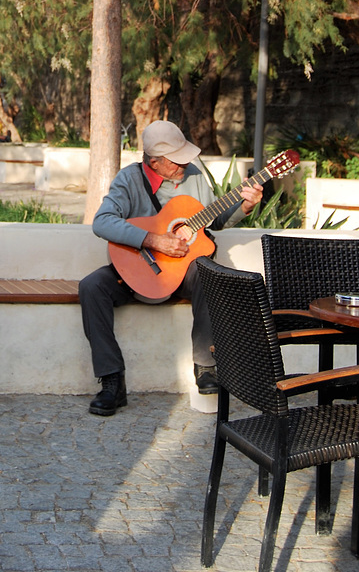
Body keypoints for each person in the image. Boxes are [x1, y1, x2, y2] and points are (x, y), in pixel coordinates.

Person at [79, 120, 263, 416]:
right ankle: (112, 380)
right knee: (91, 287)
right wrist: (153, 240)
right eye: (177, 160)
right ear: (155, 162)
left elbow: (212, 219)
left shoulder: (193, 175)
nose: (185, 163)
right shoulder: (128, 180)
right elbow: (102, 222)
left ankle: (206, 367)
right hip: (139, 271)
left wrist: (245, 205)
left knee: (208, 273)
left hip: (185, 273)